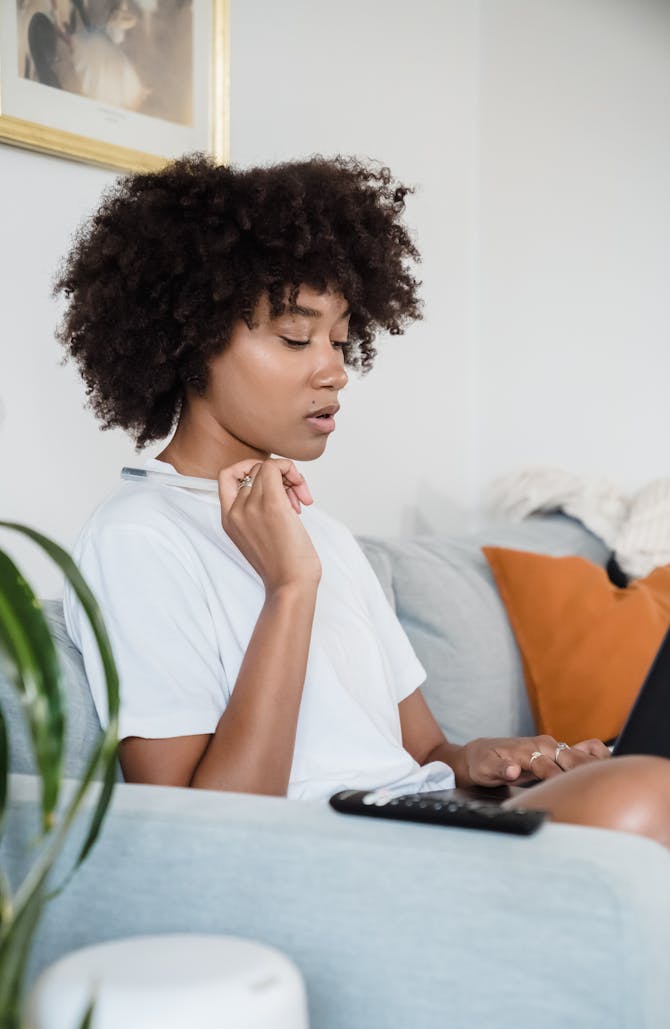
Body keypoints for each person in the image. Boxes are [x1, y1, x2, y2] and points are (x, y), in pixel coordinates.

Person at [58, 153, 670, 846]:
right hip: (332, 854)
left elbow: (427, 756)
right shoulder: (139, 536)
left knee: (637, 778)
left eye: (341, 339)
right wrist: (290, 587)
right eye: (296, 337)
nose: (335, 370)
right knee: (644, 797)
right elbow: (201, 832)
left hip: (414, 822)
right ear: (191, 343)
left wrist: (497, 763)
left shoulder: (326, 534)